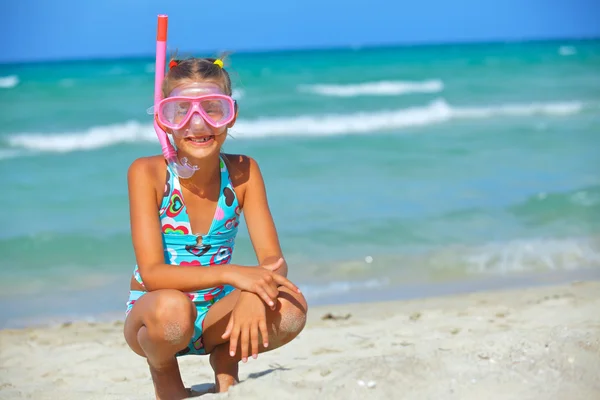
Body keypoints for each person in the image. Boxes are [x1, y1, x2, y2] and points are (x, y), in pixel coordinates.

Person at [123, 56, 308, 400]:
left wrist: (254, 292)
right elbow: (152, 274)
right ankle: (164, 371)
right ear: (164, 121)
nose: (198, 123)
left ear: (231, 114)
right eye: (181, 111)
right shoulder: (147, 173)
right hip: (157, 315)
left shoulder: (244, 172)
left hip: (218, 313)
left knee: (291, 306)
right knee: (173, 310)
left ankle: (227, 357)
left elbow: (274, 260)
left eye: (213, 109)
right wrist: (234, 275)